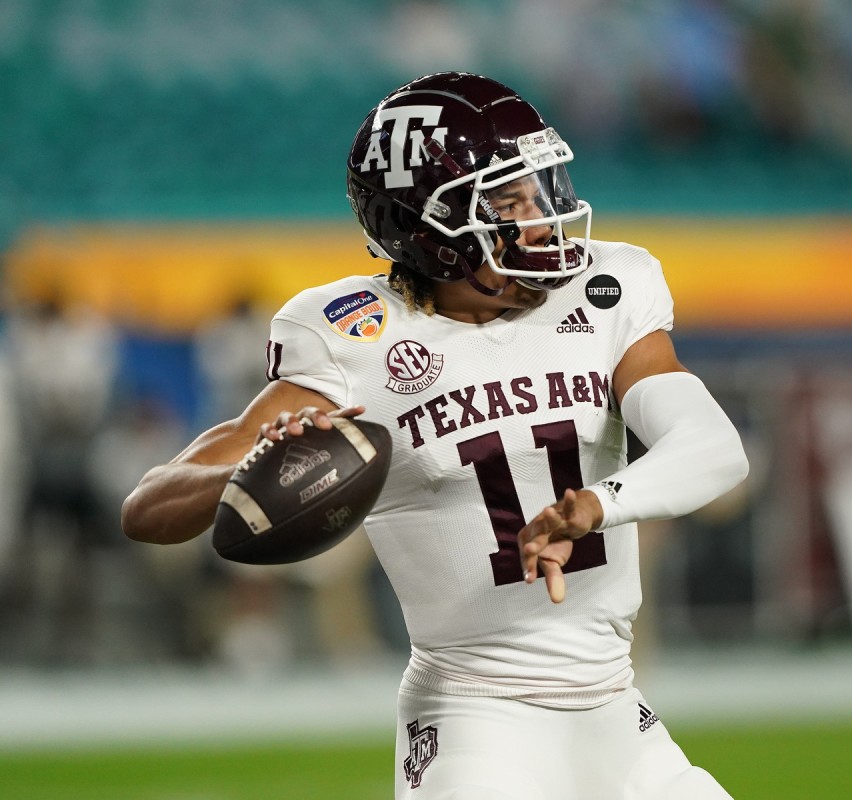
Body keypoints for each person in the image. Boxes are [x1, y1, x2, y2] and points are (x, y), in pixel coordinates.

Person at [122, 71, 749, 798]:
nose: (545, 217)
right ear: (433, 227)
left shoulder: (609, 287)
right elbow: (149, 507)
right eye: (510, 201)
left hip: (615, 712)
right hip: (476, 719)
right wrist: (259, 469)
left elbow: (713, 448)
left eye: (542, 189)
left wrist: (598, 504)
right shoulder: (352, 337)